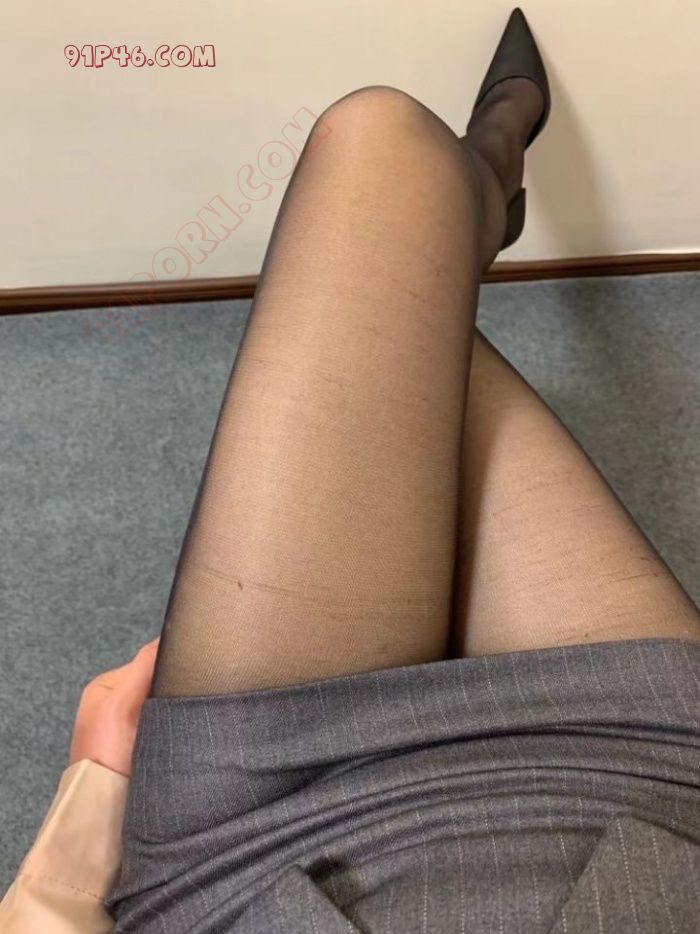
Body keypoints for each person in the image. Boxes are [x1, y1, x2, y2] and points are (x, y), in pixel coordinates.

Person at [2, 8, 700, 932]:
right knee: (394, 299)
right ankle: (484, 184)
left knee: (376, 158)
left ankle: (483, 186)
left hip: (249, 851)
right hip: (639, 795)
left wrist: (81, 825)